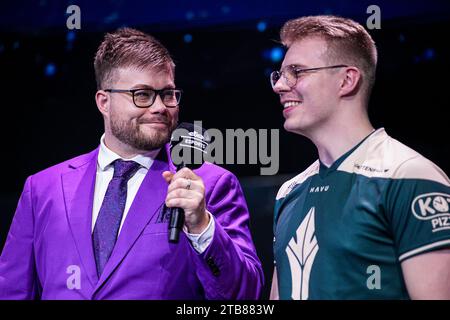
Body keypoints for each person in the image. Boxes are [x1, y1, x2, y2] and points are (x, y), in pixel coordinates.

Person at [0, 28, 263, 299]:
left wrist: (202, 227)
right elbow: (11, 291)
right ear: (104, 102)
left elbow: (245, 295)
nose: (160, 106)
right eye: (143, 94)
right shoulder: (43, 188)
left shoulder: (208, 184)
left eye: (168, 94)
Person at [269, 15, 450, 299]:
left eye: (297, 72)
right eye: (279, 74)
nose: (279, 86)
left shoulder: (410, 177)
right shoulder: (289, 192)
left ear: (347, 80)